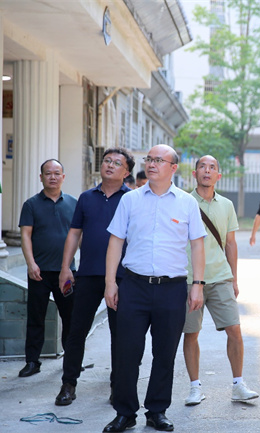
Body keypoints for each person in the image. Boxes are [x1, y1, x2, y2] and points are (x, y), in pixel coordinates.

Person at [102, 144, 206, 433]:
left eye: (158, 160)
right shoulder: (130, 200)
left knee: (164, 353)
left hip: (172, 289)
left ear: (173, 168)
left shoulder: (186, 203)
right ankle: (125, 413)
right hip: (134, 286)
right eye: (149, 159)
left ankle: (157, 411)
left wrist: (197, 285)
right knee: (127, 351)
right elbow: (115, 242)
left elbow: (197, 245)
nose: (151, 164)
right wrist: (110, 283)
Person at [54, 148, 134, 406]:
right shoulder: (86, 198)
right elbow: (74, 233)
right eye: (107, 161)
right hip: (88, 273)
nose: (110, 165)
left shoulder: (132, 199)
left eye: (117, 163)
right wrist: (66, 267)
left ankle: (117, 386)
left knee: (120, 334)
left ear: (127, 172)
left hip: (121, 277)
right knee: (76, 330)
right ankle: (68, 384)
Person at [183, 155, 259, 406]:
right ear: (194, 173)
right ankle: (195, 387)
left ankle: (238, 385)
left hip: (220, 277)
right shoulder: (183, 202)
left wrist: (234, 279)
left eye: (212, 167)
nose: (207, 170)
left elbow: (230, 244)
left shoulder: (226, 205)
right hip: (190, 279)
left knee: (234, 330)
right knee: (191, 333)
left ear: (219, 175)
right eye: (202, 167)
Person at [18, 159, 77, 378]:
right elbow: (25, 235)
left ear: (63, 177)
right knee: (36, 318)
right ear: (41, 177)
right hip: (39, 273)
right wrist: (31, 263)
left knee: (71, 318)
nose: (53, 177)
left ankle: (72, 361)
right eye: (48, 173)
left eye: (57, 173)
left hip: (67, 273)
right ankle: (32, 361)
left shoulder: (74, 203)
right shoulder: (31, 204)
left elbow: (79, 235)